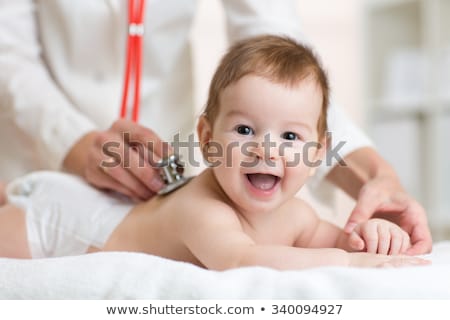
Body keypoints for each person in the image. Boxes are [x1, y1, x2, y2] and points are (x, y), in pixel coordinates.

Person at [0, 0, 431, 254]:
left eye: (289, 139)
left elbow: (282, 70)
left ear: (319, 149)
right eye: (245, 132)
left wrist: (374, 191)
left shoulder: (295, 215)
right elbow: (8, 53)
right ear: (208, 138)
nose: (267, 151)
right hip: (39, 152)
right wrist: (69, 140)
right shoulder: (206, 214)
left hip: (158, 167)